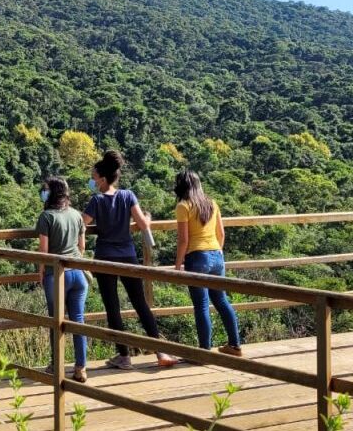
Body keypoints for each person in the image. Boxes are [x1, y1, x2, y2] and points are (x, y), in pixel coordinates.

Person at [82, 151, 178, 369]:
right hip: (128, 255)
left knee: (112, 307)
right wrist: (149, 219)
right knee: (140, 303)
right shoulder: (128, 196)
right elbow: (142, 224)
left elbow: (82, 223)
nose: (93, 181)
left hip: (105, 258)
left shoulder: (96, 201)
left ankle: (124, 356)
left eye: (94, 177)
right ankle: (160, 351)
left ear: (103, 179)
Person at [173, 169, 242, 357]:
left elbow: (183, 240)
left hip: (197, 257)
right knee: (221, 300)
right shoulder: (212, 203)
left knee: (201, 305)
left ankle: (204, 352)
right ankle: (235, 345)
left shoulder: (183, 206)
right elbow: (222, 234)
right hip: (217, 256)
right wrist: (216, 252)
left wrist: (178, 266)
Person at [36, 176, 89, 383]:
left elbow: (44, 251)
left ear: (52, 193)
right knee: (78, 320)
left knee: (55, 321)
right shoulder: (76, 215)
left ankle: (56, 365)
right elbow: (82, 247)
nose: (43, 192)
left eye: (46, 189)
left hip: (57, 275)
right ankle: (80, 367)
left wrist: (41, 272)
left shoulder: (46, 217)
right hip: (78, 272)